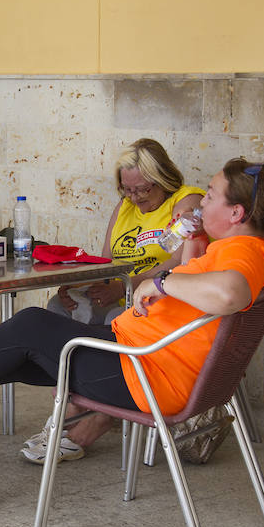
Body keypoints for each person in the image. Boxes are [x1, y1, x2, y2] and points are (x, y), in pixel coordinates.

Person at [0, 159, 264, 466]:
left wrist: (162, 282)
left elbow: (229, 294)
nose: (201, 204)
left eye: (209, 196)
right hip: (146, 361)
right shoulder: (257, 247)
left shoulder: (243, 253)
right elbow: (205, 280)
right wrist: (193, 241)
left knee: (31, 327)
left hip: (146, 376)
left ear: (237, 213)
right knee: (25, 352)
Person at [35, 138, 203, 462]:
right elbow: (105, 263)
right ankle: (75, 410)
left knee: (112, 322)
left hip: (154, 299)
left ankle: (95, 417)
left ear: (164, 180)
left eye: (143, 190)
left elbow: (182, 262)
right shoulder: (125, 207)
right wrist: (77, 286)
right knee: (59, 311)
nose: (135, 198)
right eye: (128, 190)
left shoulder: (185, 202)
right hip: (120, 290)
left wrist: (128, 284)